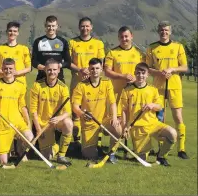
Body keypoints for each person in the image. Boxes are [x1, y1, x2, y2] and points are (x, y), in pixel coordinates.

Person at [146, 21, 189, 159]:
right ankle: (161, 148)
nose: (164, 32)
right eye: (161, 30)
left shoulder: (178, 46)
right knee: (159, 118)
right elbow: (147, 68)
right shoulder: (152, 48)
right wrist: (159, 73)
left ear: (170, 32)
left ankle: (181, 149)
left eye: (166, 30)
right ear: (158, 31)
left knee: (177, 116)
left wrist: (172, 69)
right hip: (158, 88)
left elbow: (185, 67)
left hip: (174, 86)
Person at [120, 62, 177, 166]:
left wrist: (152, 105)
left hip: (153, 124)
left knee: (172, 133)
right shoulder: (127, 90)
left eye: (143, 73)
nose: (140, 75)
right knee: (142, 160)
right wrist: (125, 126)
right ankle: (144, 151)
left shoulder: (153, 89)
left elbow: (160, 106)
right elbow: (124, 110)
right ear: (134, 73)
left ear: (147, 75)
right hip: (138, 128)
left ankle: (161, 156)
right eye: (138, 73)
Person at [0, 21, 31, 156]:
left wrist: (15, 74)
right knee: (4, 116)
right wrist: (6, 74)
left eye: (14, 31)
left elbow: (29, 67)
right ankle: (8, 149)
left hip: (19, 86)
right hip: (4, 86)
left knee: (19, 116)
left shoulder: (24, 49)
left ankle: (20, 150)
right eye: (10, 31)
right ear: (6, 32)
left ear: (18, 33)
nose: (12, 33)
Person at [104, 26, 145, 155]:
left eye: (126, 36)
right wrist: (123, 76)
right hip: (117, 94)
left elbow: (144, 71)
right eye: (121, 37)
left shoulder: (139, 53)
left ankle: (135, 149)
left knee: (133, 121)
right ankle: (113, 152)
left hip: (134, 94)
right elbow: (107, 72)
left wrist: (136, 79)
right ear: (118, 38)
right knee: (118, 123)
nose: (124, 39)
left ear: (131, 36)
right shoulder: (112, 53)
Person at [72, 58, 122, 162]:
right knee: (90, 155)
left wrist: (114, 118)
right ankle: (93, 150)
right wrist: (82, 114)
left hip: (104, 121)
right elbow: (75, 106)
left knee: (118, 128)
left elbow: (112, 103)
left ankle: (111, 154)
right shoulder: (81, 85)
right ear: (89, 70)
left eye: (97, 68)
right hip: (89, 123)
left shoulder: (107, 83)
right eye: (92, 68)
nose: (95, 71)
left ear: (101, 69)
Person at [0, 58, 34, 165]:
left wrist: (28, 122)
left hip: (17, 122)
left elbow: (22, 106)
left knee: (30, 138)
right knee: (3, 161)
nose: (8, 71)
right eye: (5, 68)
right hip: (2, 124)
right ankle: (8, 149)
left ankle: (20, 149)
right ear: (2, 69)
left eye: (10, 68)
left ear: (14, 69)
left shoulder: (20, 85)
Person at [69, 17, 105, 148]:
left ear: (91, 27)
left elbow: (101, 62)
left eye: (87, 26)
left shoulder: (98, 43)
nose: (85, 28)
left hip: (94, 82)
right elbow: (68, 62)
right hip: (77, 82)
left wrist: (90, 72)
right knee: (76, 111)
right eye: (82, 26)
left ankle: (98, 142)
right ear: (79, 27)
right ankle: (77, 140)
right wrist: (80, 69)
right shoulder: (72, 42)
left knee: (95, 111)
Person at [30, 58, 73, 166]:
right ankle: (58, 144)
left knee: (68, 123)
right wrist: (38, 129)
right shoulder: (37, 85)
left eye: (54, 70)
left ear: (59, 70)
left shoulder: (63, 88)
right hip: (42, 123)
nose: (52, 72)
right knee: (47, 156)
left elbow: (68, 111)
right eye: (49, 70)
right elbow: (33, 111)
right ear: (45, 70)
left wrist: (59, 118)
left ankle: (61, 155)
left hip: (57, 122)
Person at [31, 15, 71, 83]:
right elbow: (33, 61)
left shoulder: (63, 42)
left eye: (53, 26)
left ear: (57, 26)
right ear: (45, 26)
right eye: (49, 26)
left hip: (58, 79)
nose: (51, 28)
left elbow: (68, 62)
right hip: (41, 78)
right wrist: (44, 68)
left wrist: (57, 67)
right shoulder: (38, 41)